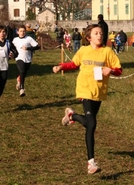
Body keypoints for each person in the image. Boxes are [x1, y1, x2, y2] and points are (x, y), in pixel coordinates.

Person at [52, 24, 122, 174]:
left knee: (90, 123)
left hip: (99, 92)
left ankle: (72, 115)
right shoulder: (83, 50)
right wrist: (61, 66)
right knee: (92, 124)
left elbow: (119, 70)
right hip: (84, 89)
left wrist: (111, 71)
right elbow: (74, 64)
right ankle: (91, 162)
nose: (99, 35)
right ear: (89, 37)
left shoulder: (107, 52)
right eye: (96, 33)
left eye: (101, 33)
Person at [12, 25, 40, 97]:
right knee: (22, 71)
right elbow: (11, 47)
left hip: (28, 59)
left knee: (24, 72)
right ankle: (22, 89)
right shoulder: (15, 40)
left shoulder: (29, 38)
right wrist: (12, 53)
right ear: (17, 32)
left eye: (24, 31)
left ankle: (19, 80)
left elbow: (37, 47)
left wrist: (28, 48)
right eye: (20, 31)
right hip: (19, 58)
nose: (22, 32)